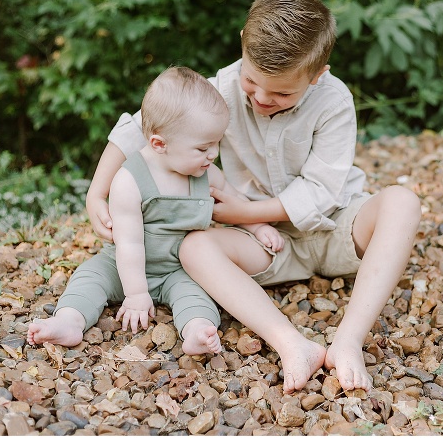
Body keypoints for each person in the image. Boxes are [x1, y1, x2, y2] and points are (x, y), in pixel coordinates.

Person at [87, 0, 422, 393]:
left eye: (282, 93)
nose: (262, 98)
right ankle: (291, 343)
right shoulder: (224, 87)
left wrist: (238, 213)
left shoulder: (333, 101)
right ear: (243, 50)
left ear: (318, 75)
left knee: (402, 203)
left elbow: (322, 192)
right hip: (260, 245)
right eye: (252, 81)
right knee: (193, 247)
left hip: (337, 229)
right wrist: (97, 192)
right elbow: (143, 125)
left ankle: (348, 340)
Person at [27, 67, 284, 355]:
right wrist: (136, 294)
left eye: (216, 144)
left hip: (178, 267)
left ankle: (197, 331)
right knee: (89, 278)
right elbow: (130, 244)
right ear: (159, 144)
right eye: (203, 148)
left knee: (198, 296)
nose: (213, 154)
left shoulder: (205, 173)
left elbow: (234, 201)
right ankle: (68, 321)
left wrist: (258, 227)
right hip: (121, 263)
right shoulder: (130, 180)